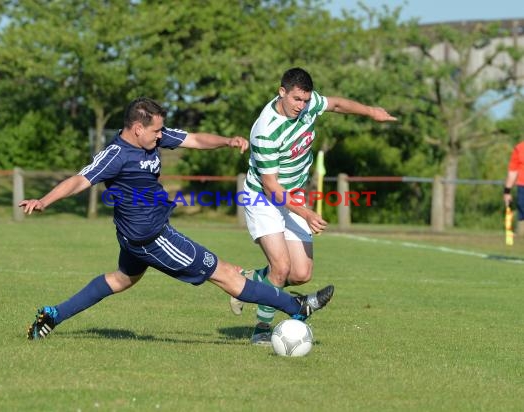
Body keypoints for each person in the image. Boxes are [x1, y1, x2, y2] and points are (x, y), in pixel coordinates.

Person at [21, 96, 334, 340]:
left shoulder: (152, 137)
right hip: (153, 238)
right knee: (226, 274)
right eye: (156, 131)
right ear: (136, 128)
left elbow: (195, 139)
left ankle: (52, 315)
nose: (161, 137)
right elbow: (80, 179)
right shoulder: (116, 155)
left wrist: (226, 141)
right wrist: (44, 200)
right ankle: (297, 307)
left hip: (136, 236)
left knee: (120, 279)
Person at [230, 67, 397, 345]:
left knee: (301, 274)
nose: (301, 106)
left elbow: (338, 104)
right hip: (263, 197)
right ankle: (262, 328)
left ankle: (249, 281)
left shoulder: (309, 105)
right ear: (281, 92)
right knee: (281, 267)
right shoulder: (265, 131)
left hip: (293, 195)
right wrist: (306, 212)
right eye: (296, 99)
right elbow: (271, 186)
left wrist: (371, 111)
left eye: (305, 100)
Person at [503, 141, 524, 236]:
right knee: (522, 207)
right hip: (522, 186)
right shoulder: (519, 148)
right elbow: (513, 171)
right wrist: (507, 191)